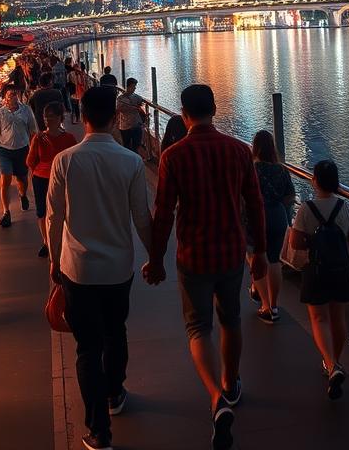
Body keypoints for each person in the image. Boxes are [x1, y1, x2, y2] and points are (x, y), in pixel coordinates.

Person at [145, 84, 267, 450]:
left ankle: (215, 397)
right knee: (231, 319)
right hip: (231, 252)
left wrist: (155, 260)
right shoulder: (239, 151)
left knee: (198, 327)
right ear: (215, 109)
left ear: (183, 115)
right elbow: (256, 204)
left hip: (193, 256)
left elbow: (164, 213)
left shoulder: (173, 156)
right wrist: (259, 251)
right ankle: (231, 384)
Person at [47, 86, 152, 450]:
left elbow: (54, 217)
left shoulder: (65, 161)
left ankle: (99, 430)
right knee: (115, 332)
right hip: (118, 267)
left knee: (87, 348)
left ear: (84, 115)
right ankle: (115, 393)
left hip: (77, 268)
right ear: (113, 117)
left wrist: (54, 260)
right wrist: (155, 257)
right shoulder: (131, 161)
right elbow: (142, 216)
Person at [290, 160, 349, 401]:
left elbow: (294, 242)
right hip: (341, 269)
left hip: (316, 270)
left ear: (314, 181)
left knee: (318, 317)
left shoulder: (306, 208)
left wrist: (313, 242)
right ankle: (336, 361)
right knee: (338, 317)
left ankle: (330, 363)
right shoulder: (346, 208)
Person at [247, 130, 295, 323]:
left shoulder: (251, 168)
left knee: (254, 256)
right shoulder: (282, 170)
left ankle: (264, 303)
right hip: (278, 216)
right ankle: (274, 305)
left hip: (255, 216)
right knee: (274, 260)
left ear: (255, 147)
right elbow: (290, 196)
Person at [26, 100, 77, 257]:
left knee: (62, 210)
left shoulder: (69, 138)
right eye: (45, 117)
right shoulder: (38, 138)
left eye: (52, 117)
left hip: (62, 179)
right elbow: (30, 161)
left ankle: (61, 238)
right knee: (42, 212)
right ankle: (46, 242)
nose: (47, 120)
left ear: (60, 118)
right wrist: (40, 171)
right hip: (42, 178)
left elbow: (73, 161)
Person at [0, 83, 38, 229]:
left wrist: (33, 151)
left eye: (15, 94)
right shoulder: (0, 113)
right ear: (5, 98)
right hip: (4, 150)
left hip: (22, 149)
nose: (13, 97)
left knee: (22, 179)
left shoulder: (26, 111)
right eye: (10, 95)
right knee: (5, 180)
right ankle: (6, 212)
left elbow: (33, 131)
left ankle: (23, 195)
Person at [116, 78, 161, 156]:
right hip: (130, 125)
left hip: (128, 125)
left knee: (130, 145)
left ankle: (131, 158)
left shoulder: (122, 98)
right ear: (129, 86)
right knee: (132, 145)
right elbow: (120, 109)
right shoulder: (125, 98)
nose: (135, 88)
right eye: (134, 86)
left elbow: (119, 109)